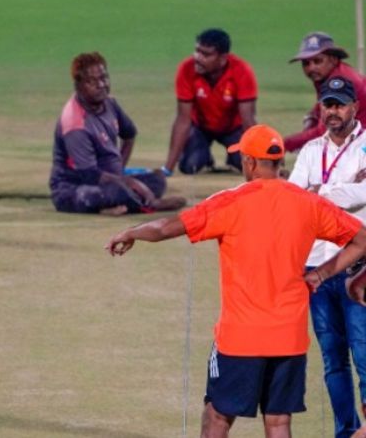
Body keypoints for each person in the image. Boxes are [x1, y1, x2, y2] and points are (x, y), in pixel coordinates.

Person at [106, 124, 366, 437]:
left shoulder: (230, 202)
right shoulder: (308, 203)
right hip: (289, 336)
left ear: (251, 163)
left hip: (240, 337)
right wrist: (322, 273)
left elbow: (166, 228)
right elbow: (361, 239)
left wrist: (132, 232)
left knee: (216, 418)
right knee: (279, 421)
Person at [288, 76, 366, 438]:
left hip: (357, 268)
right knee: (333, 361)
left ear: (353, 107)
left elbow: (310, 197)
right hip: (316, 267)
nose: (332, 112)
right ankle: (344, 431)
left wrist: (320, 192)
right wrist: (347, 189)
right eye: (327, 105)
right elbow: (292, 198)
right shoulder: (310, 150)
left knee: (364, 357)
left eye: (339, 104)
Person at [49, 51, 186, 215]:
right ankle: (148, 204)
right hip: (74, 187)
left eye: (104, 78)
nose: (101, 85)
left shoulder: (110, 103)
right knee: (105, 194)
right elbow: (89, 175)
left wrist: (120, 172)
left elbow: (129, 134)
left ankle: (119, 204)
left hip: (110, 179)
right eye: (92, 81)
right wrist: (127, 182)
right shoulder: (75, 124)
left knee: (157, 179)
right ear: (78, 85)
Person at [161, 28, 258, 175]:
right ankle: (204, 157)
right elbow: (183, 120)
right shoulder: (186, 69)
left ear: (223, 58)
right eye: (197, 51)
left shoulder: (242, 71)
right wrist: (167, 169)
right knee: (189, 166)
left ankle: (233, 158)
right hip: (200, 128)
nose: (197, 58)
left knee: (243, 164)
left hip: (233, 129)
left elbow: (248, 121)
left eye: (205, 54)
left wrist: (260, 161)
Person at [284, 32, 366, 153]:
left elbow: (324, 132)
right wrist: (311, 118)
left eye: (317, 61)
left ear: (333, 59)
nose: (311, 68)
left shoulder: (338, 81)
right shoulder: (333, 73)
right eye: (306, 63)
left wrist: (285, 143)